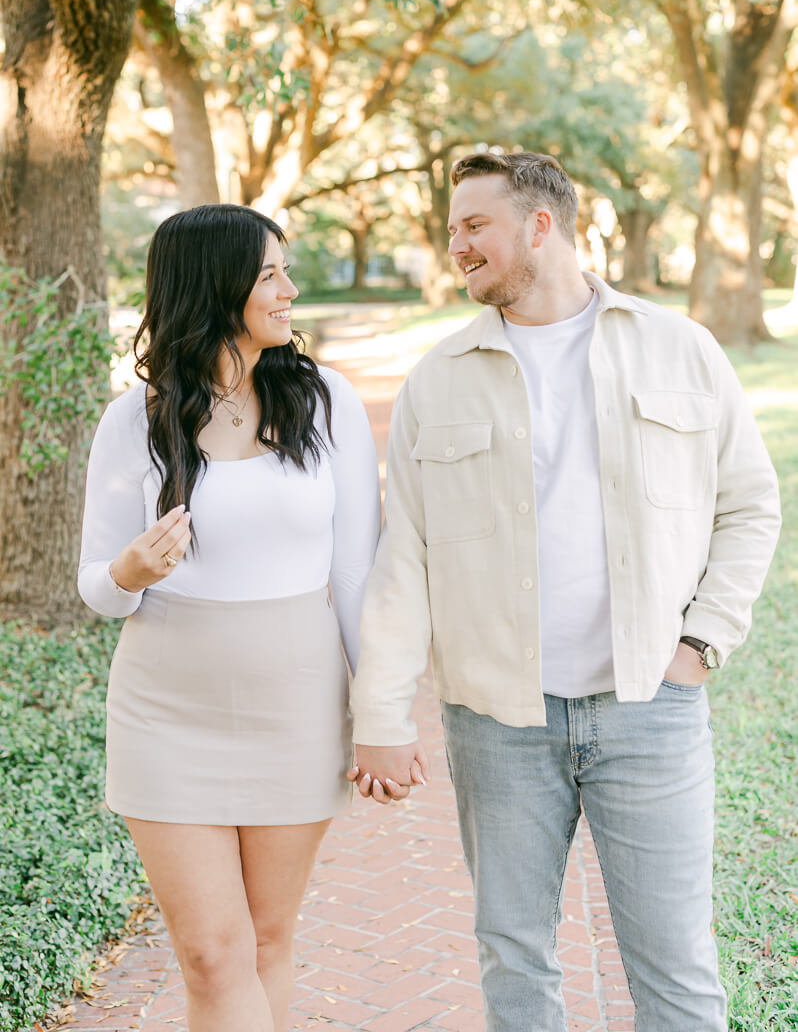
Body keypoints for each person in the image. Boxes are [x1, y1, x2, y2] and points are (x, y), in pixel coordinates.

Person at [348, 152, 781, 1031]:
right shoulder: (440, 376)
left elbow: (751, 506)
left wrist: (701, 644)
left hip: (649, 711)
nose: (456, 243)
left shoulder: (678, 348)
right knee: (514, 957)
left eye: (475, 225)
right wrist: (381, 717)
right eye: (453, 226)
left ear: (540, 226)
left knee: (675, 967)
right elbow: (407, 560)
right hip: (499, 722)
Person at [78, 204, 380, 1032]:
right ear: (216, 286)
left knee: (269, 938)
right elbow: (96, 586)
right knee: (212, 953)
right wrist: (131, 572)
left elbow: (357, 569)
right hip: (167, 708)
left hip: (296, 702)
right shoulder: (133, 420)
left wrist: (381, 711)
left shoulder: (327, 403)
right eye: (270, 274)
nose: (289, 289)